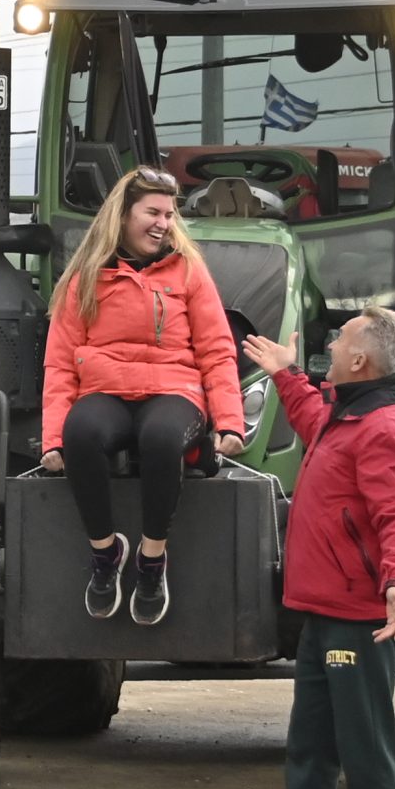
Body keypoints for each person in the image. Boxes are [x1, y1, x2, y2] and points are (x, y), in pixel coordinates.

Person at [223, 307, 395, 789]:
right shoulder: (349, 414)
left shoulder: (385, 427)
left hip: (360, 614)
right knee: (310, 742)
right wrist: (288, 377)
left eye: (341, 339)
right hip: (324, 609)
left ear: (361, 360)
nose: (332, 345)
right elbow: (316, 423)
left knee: (365, 745)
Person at [39, 166, 247, 627]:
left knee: (161, 438)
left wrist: (230, 421)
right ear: (123, 215)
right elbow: (58, 363)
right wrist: (52, 437)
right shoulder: (85, 279)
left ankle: (152, 560)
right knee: (81, 432)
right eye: (152, 211)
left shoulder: (189, 272)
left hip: (174, 389)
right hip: (106, 390)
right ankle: (106, 552)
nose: (164, 222)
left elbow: (216, 350)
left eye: (170, 215)